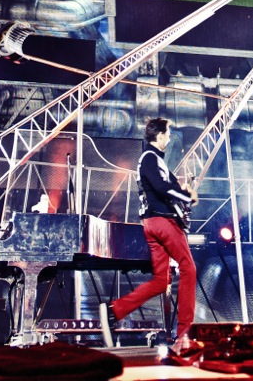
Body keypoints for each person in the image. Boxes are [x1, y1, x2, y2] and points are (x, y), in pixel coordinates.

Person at [100, 118, 198, 354]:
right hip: (162, 223)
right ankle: (184, 334)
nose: (170, 136)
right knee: (189, 268)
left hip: (153, 224)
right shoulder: (150, 158)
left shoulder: (156, 161)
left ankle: (115, 310)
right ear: (160, 135)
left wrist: (184, 190)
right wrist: (188, 198)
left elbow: (169, 184)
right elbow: (163, 188)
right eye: (168, 132)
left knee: (160, 281)